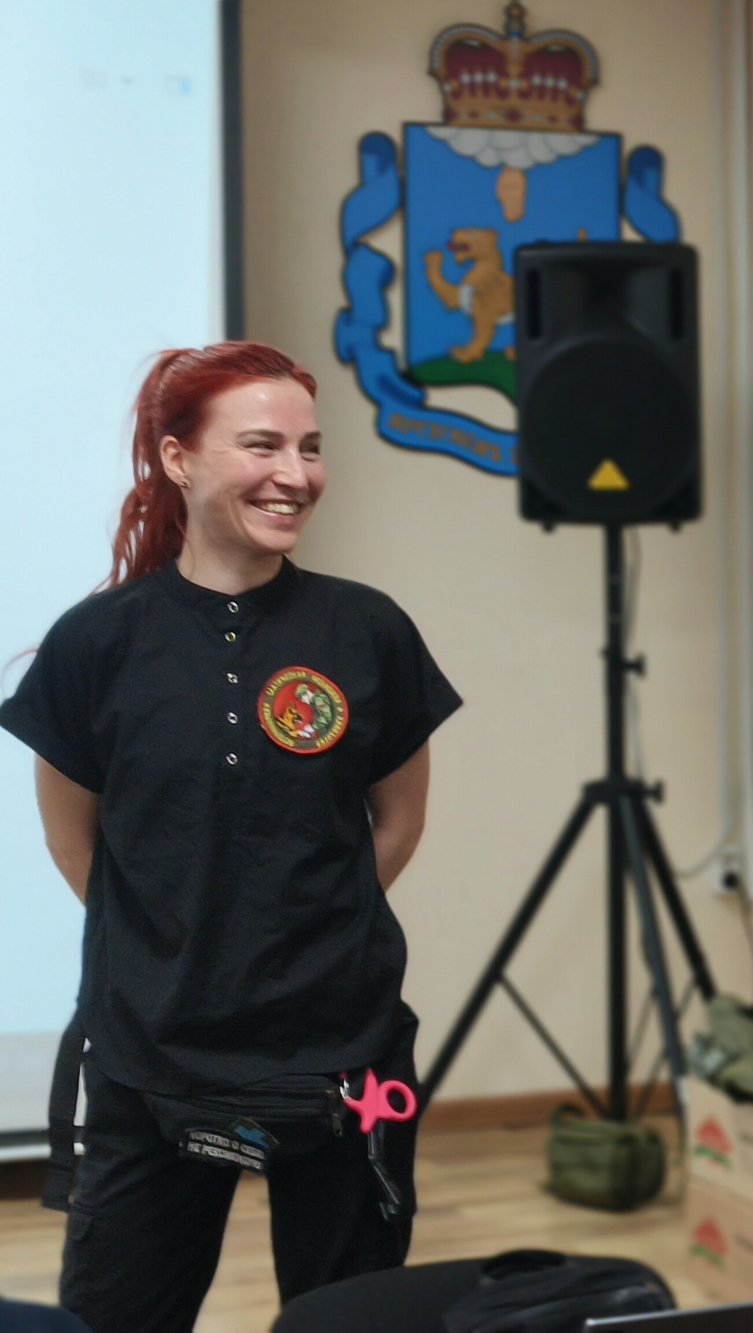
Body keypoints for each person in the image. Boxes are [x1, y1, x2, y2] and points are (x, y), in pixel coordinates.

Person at [0, 343, 462, 1333]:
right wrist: (183, 942)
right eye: (262, 445)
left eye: (310, 447)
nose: (295, 474)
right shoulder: (97, 643)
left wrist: (302, 931)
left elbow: (398, 819)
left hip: (344, 1055)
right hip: (151, 1057)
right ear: (178, 458)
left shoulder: (367, 629)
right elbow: (78, 843)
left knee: (348, 1321)